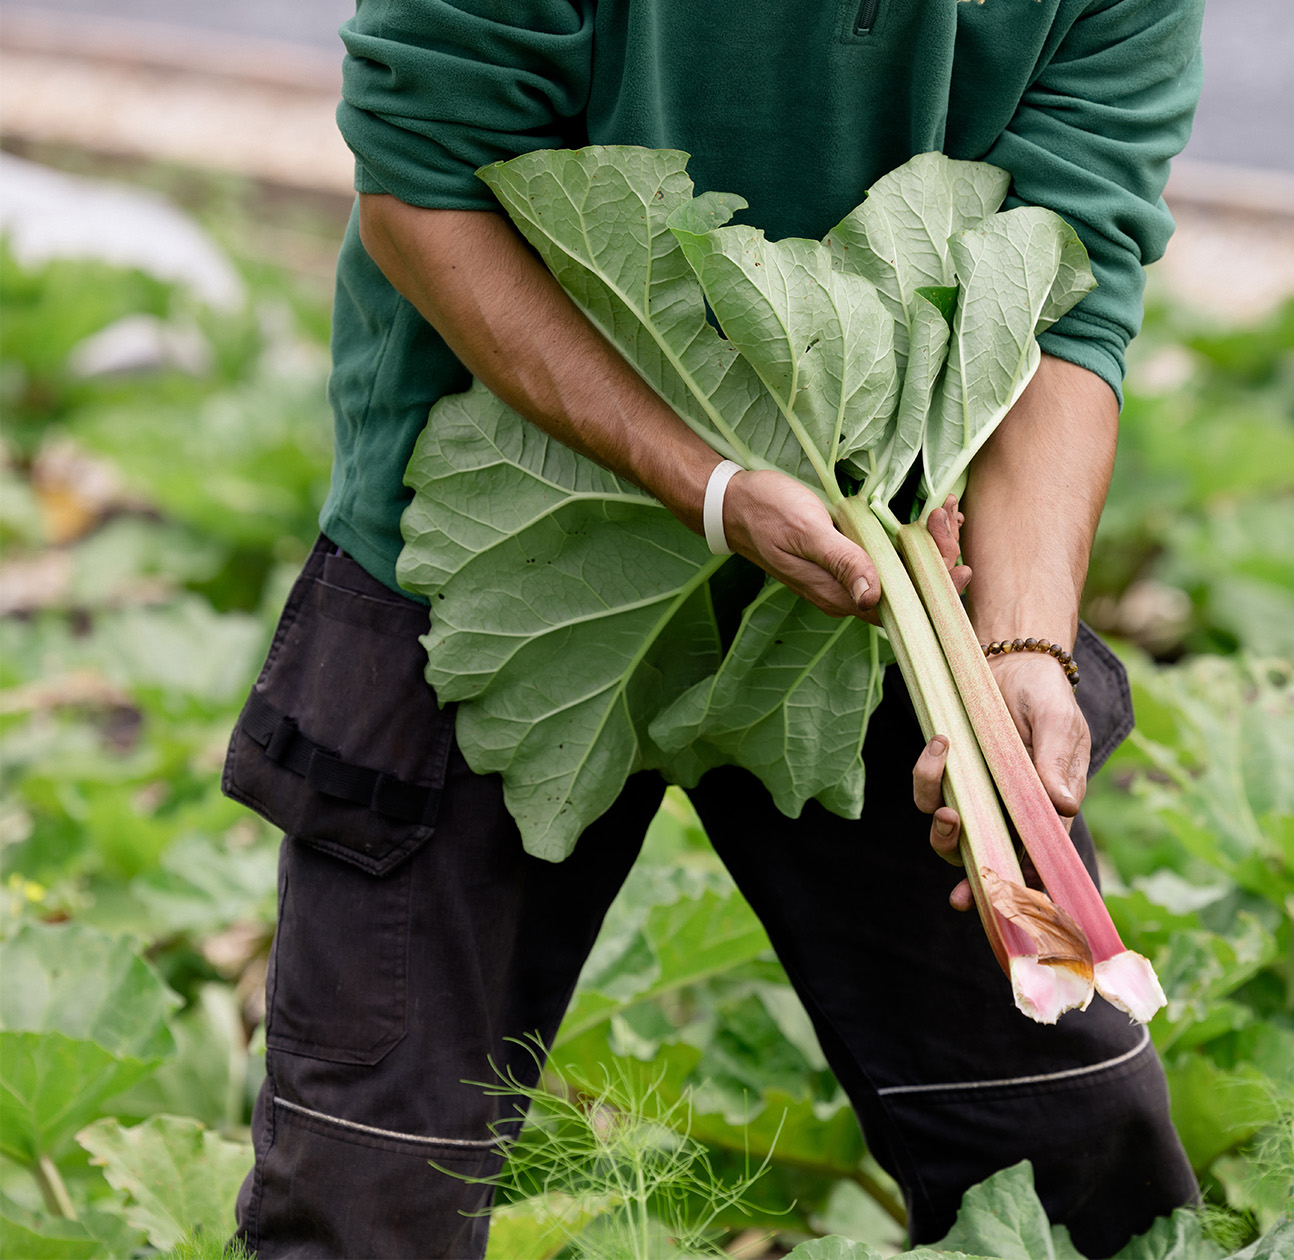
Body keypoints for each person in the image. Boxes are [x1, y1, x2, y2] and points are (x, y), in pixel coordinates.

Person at [223, 1, 1207, 1255]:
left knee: (1074, 1166)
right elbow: (424, 194)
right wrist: (710, 486)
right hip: (499, 560)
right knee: (371, 1191)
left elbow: (1071, 294)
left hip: (883, 583)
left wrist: (1019, 651)